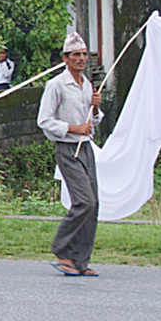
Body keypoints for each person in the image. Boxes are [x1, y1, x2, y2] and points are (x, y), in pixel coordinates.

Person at [37, 32, 103, 277]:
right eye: (76, 55)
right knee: (83, 201)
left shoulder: (87, 85)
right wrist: (72, 128)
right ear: (65, 58)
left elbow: (93, 121)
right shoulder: (56, 85)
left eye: (84, 54)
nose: (82, 58)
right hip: (67, 148)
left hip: (86, 147)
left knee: (93, 205)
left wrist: (95, 107)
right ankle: (62, 249)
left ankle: (80, 261)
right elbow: (44, 120)